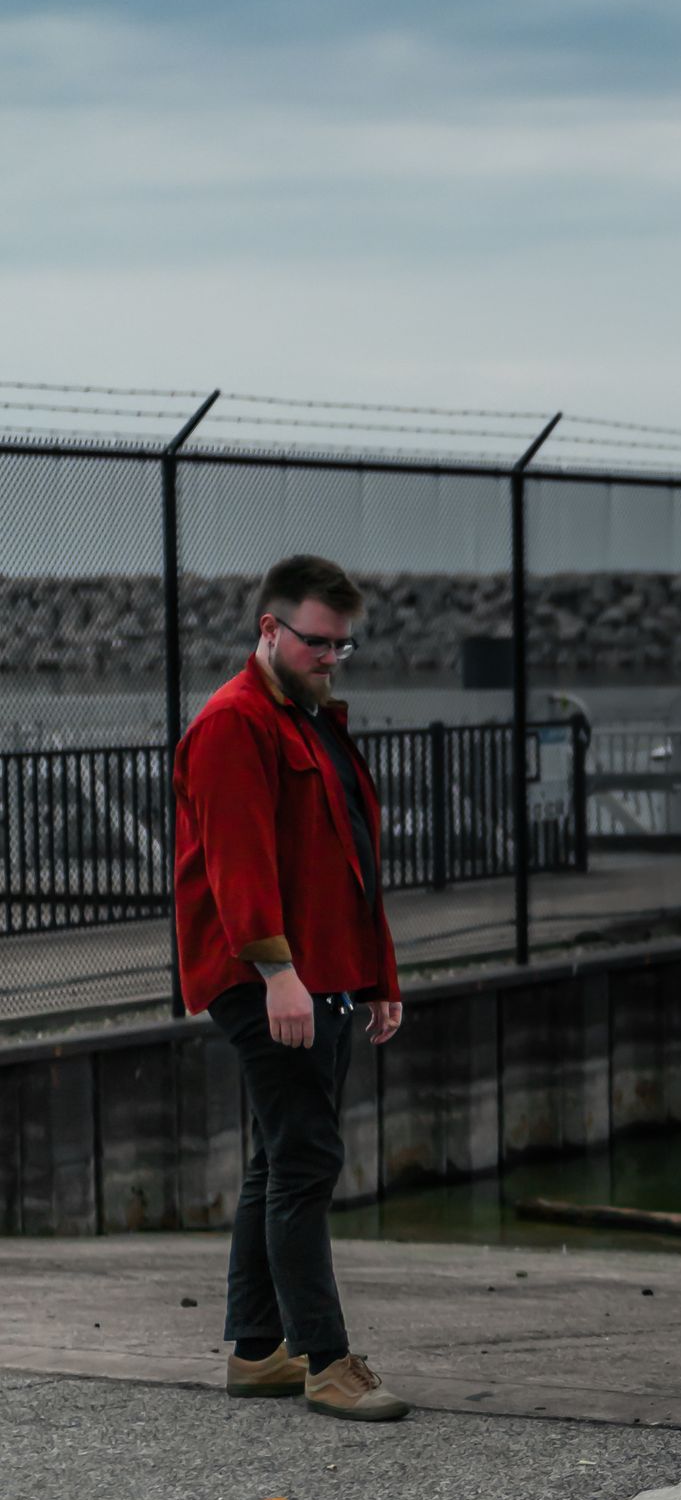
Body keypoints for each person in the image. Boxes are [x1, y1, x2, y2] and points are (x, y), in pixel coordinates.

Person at [174, 557, 409, 1422]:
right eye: (317, 642)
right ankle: (326, 1360)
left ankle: (256, 1350)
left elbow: (351, 861)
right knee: (305, 1159)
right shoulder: (235, 723)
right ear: (269, 630)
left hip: (321, 975)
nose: (331, 658)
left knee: (281, 1157)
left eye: (343, 645)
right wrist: (278, 975)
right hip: (266, 977)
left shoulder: (310, 720)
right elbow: (238, 865)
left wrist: (377, 976)